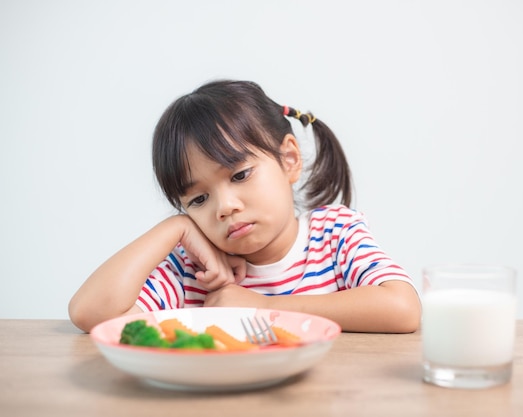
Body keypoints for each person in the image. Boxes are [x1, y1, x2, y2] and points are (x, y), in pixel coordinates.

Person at [68, 80, 421, 333]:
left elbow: (403, 308)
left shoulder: (335, 234)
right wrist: (174, 228)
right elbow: (91, 316)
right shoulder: (195, 273)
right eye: (198, 200)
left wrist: (263, 307)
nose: (224, 207)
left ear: (289, 160)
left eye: (239, 175)